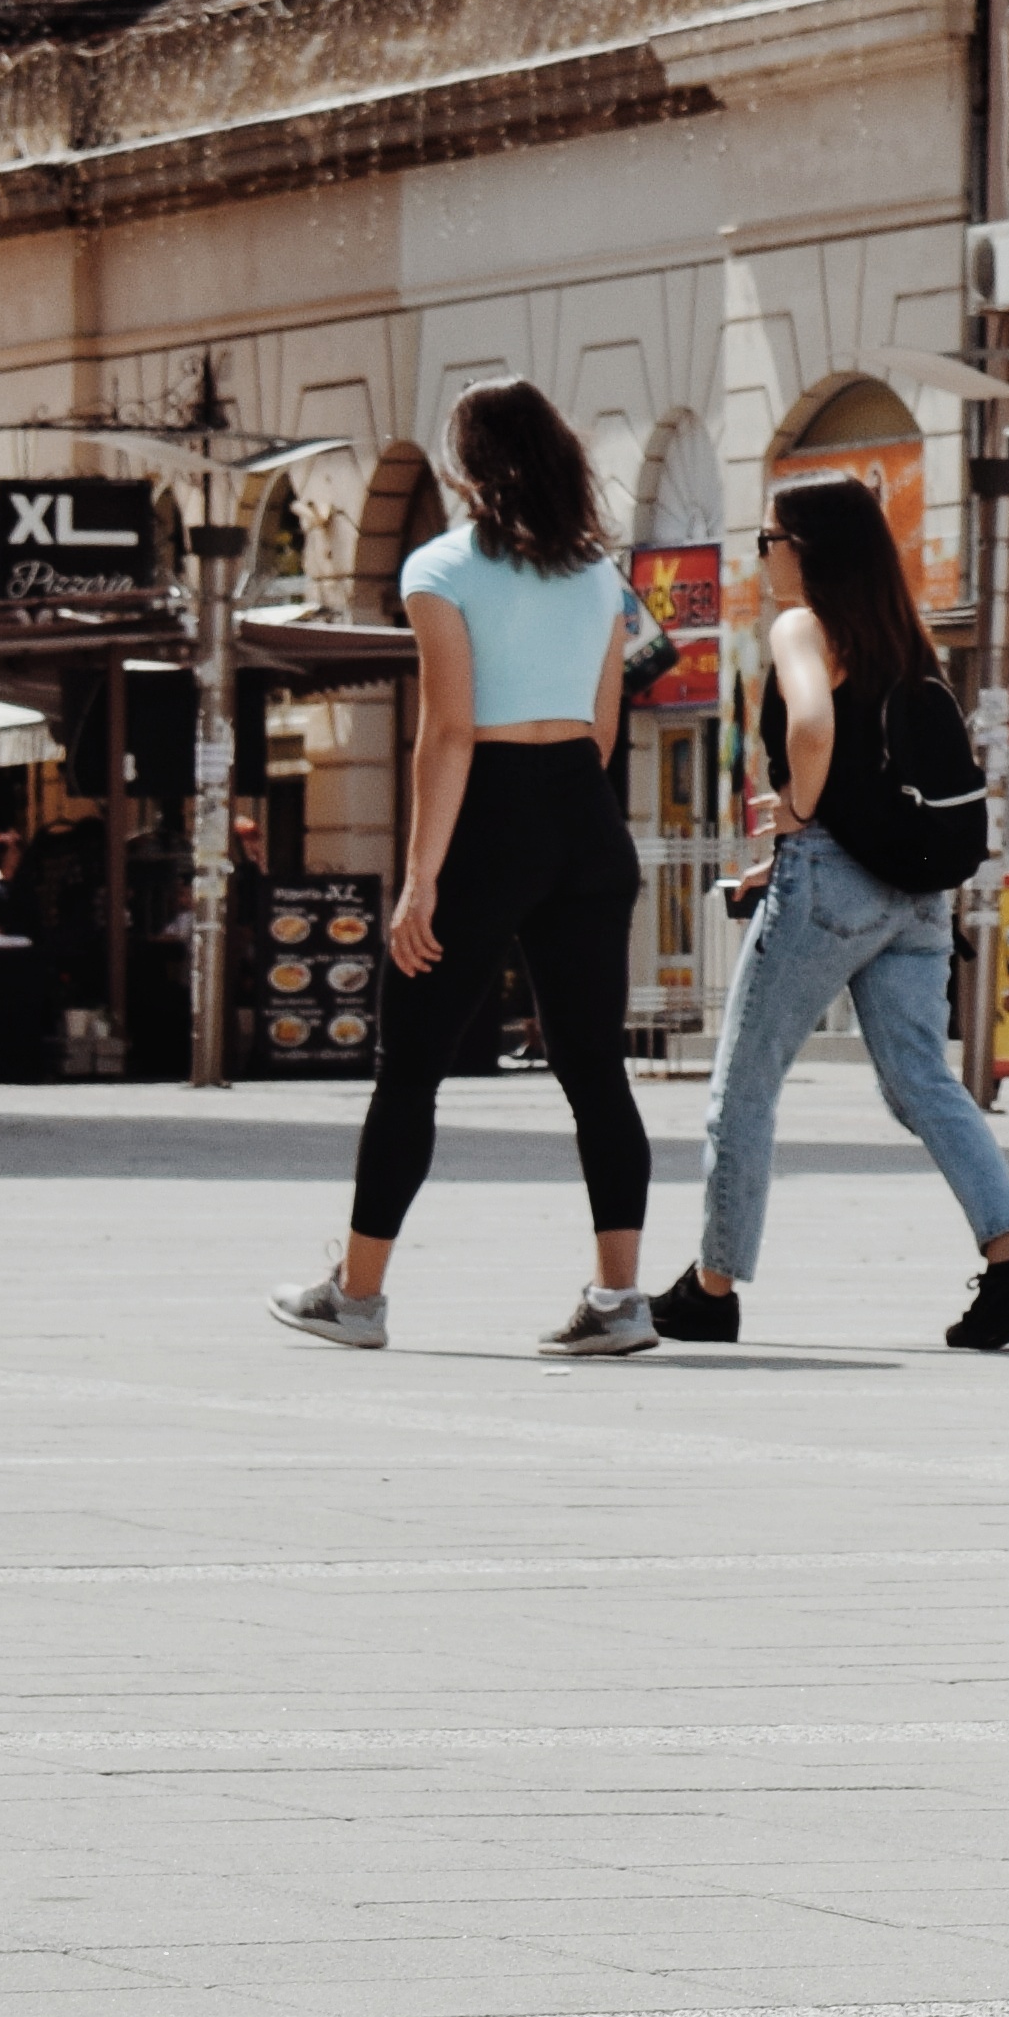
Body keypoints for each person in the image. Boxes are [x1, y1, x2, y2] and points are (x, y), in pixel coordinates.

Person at [270, 377, 666, 1358]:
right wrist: (561, 812)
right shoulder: (598, 576)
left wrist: (422, 878)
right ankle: (620, 1300)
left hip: (490, 813)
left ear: (465, 465)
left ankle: (357, 1297)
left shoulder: (438, 568)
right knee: (596, 1072)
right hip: (584, 811)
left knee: (411, 1069)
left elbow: (447, 733)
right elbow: (605, 726)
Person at [638, 479, 1009, 1348]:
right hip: (914, 898)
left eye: (768, 539)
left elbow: (816, 730)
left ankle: (712, 1287)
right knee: (922, 1085)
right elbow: (879, 772)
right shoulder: (908, 641)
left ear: (806, 549)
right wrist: (793, 839)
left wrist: (794, 813)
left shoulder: (802, 628)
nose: (763, 556)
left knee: (744, 1081)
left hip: (833, 889)